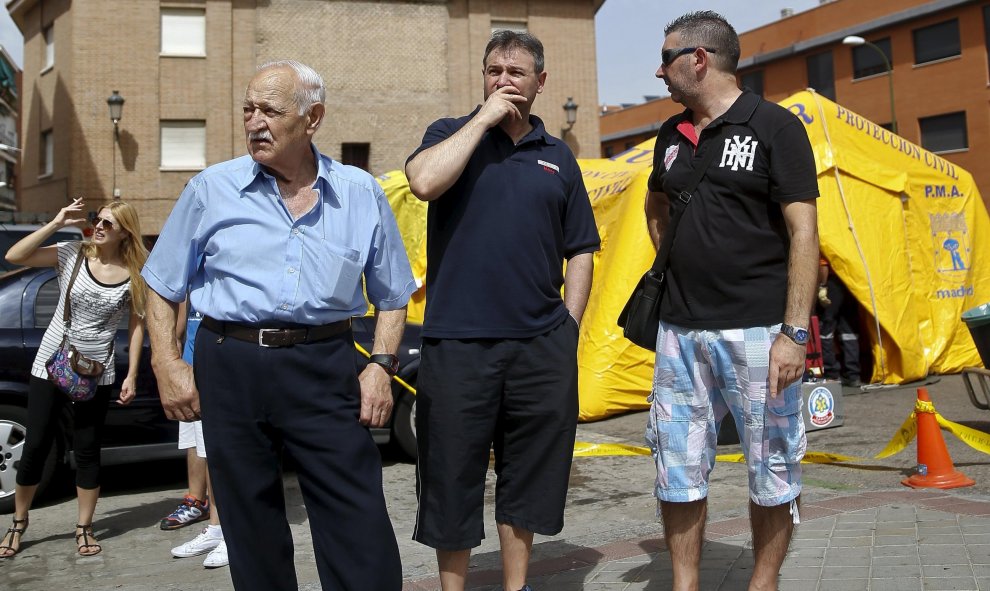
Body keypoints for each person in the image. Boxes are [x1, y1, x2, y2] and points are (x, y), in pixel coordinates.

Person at [142, 60, 416, 591]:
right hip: (231, 363)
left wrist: (381, 366)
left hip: (325, 365)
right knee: (249, 522)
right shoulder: (210, 189)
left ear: (312, 118)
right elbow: (160, 282)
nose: (254, 122)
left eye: (270, 109)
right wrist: (167, 361)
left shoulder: (360, 193)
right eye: (248, 108)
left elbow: (393, 294)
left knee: (358, 523)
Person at [405, 30, 600, 591]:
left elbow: (582, 247)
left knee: (530, 476)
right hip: (457, 343)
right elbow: (423, 182)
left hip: (541, 345)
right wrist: (484, 120)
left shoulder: (558, 157)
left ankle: (518, 586)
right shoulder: (449, 134)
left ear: (541, 81)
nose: (504, 80)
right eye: (494, 70)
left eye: (516, 72)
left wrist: (569, 325)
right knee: (450, 475)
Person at [643, 11, 819, 591]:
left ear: (699, 59)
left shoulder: (775, 126)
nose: (659, 71)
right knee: (677, 468)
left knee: (771, 467)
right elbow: (656, 204)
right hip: (679, 331)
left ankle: (761, 582)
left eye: (667, 58)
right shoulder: (670, 136)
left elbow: (803, 230)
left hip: (759, 331)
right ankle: (685, 584)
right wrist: (671, 258)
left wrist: (794, 334)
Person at [1, 199, 148, 557]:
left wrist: (131, 374)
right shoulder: (72, 253)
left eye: (108, 224)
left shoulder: (134, 270)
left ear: (125, 231)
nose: (98, 226)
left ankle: (84, 527)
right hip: (52, 361)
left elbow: (137, 323)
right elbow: (15, 257)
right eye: (98, 219)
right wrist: (55, 222)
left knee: (87, 448)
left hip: (99, 370)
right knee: (35, 444)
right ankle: (18, 524)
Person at [166, 302, 228, 568]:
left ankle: (229, 531)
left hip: (219, 371)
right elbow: (179, 325)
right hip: (192, 371)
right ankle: (215, 527)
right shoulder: (192, 276)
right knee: (200, 449)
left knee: (218, 455)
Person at [818, 258, 862, 387]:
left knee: (826, 330)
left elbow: (823, 263)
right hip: (852, 282)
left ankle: (831, 373)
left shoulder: (827, 239)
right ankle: (853, 374)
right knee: (849, 331)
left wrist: (823, 286)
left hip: (832, 283)